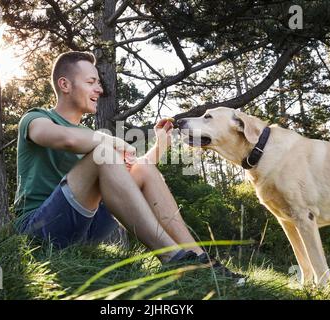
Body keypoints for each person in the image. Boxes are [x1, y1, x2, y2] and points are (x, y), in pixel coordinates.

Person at [13, 51, 243, 278]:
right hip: (39, 230)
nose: (100, 90)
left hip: (87, 229)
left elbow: (131, 175)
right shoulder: (36, 118)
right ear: (65, 85)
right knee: (104, 153)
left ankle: (201, 262)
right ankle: (173, 257)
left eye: (99, 83)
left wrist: (161, 146)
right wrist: (111, 141)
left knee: (141, 168)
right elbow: (66, 139)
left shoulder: (90, 136)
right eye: (91, 82)